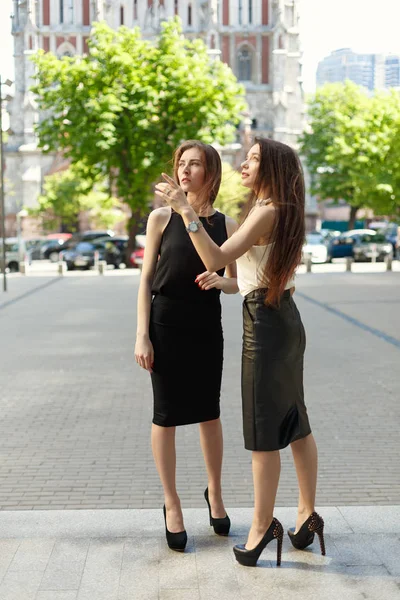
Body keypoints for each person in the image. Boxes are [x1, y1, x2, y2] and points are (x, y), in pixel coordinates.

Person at [155, 137, 325, 567]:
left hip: (264, 325)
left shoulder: (265, 211)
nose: (243, 164)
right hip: (287, 316)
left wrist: (185, 210)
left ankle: (261, 527)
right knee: (296, 421)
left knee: (262, 430)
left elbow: (213, 257)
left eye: (253, 159)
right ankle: (306, 514)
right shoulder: (282, 208)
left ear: (272, 168)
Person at [135, 140, 238, 552]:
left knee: (208, 413)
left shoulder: (226, 225)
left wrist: (222, 282)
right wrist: (142, 333)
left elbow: (236, 280)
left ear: (210, 173)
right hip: (165, 323)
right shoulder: (160, 218)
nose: (185, 170)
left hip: (205, 327)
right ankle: (171, 501)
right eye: (181, 163)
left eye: (195, 164)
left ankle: (215, 492)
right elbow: (145, 280)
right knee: (165, 416)